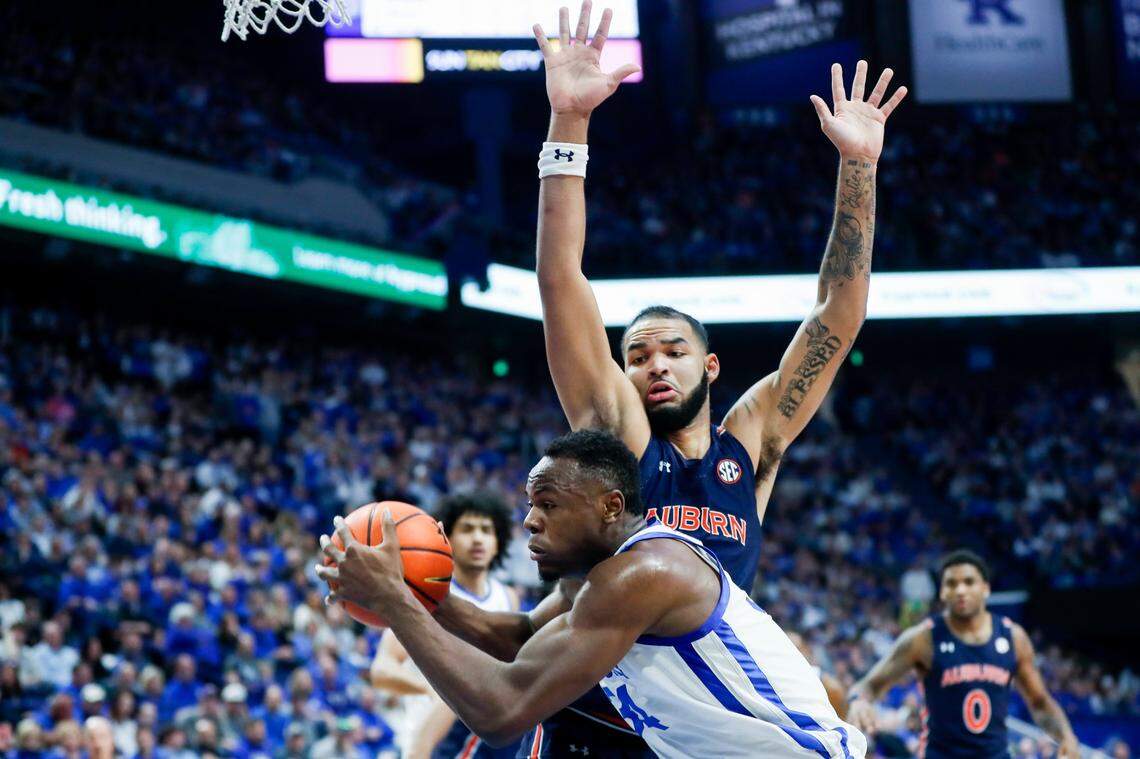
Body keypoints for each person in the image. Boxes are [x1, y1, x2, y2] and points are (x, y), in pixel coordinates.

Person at [528, 1, 906, 752]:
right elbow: (560, 279)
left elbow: (838, 312)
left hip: (710, 723)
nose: (652, 366)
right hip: (603, 710)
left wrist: (857, 166)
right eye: (635, 355)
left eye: (669, 350)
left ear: (711, 366)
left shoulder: (752, 441)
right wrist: (568, 123)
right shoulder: (622, 434)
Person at [318, 430, 864, 758]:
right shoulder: (604, 577)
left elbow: (503, 710)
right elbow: (518, 638)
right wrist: (418, 590)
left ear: (609, 507)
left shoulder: (641, 574)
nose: (529, 521)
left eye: (549, 504)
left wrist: (394, 601)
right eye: (530, 504)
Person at [845, 550, 1080, 758]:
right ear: (942, 593)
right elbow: (867, 686)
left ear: (986, 588)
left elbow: (1039, 702)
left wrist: (1067, 737)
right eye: (951, 583)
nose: (960, 590)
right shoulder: (922, 638)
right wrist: (858, 702)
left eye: (969, 582)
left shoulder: (1013, 637)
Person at [369, 494, 520, 759]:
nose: (477, 538)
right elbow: (382, 669)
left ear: (498, 542)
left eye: (486, 530)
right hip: (425, 742)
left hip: (484, 737)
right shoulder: (424, 593)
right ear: (446, 538)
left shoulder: (508, 596)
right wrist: (433, 687)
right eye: (467, 529)